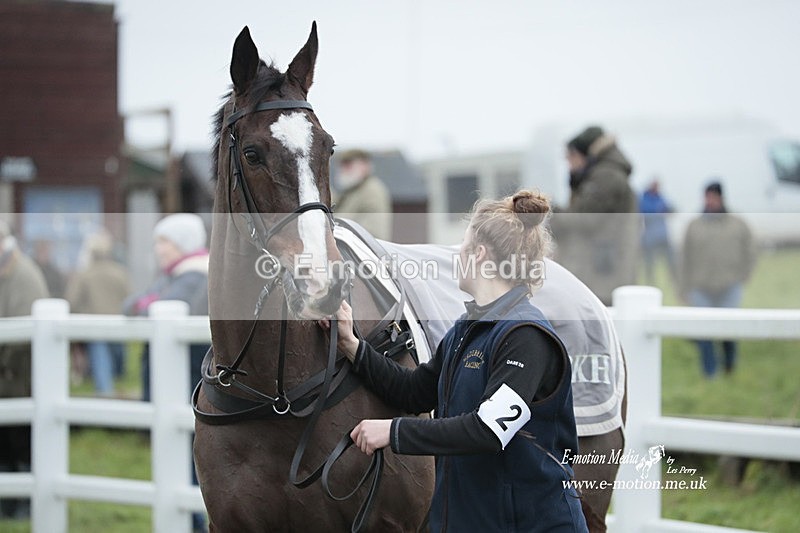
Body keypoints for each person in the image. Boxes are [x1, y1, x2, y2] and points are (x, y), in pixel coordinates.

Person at [320, 191, 588, 532]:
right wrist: (352, 345)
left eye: (462, 246)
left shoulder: (526, 337)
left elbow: (487, 430)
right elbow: (413, 391)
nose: (457, 255)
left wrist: (393, 431)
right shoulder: (467, 329)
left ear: (479, 254)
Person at [122, 213, 209, 532]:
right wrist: (144, 304)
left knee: (188, 452)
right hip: (178, 377)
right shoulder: (174, 275)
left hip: (187, 378)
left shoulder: (195, 276)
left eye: (165, 242)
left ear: (183, 245)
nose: (158, 249)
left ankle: (193, 518)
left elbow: (148, 309)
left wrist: (146, 304)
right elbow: (131, 305)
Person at [549, 125, 639, 305]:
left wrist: (551, 212)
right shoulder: (603, 174)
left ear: (585, 154)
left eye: (571, 157)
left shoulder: (606, 176)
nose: (569, 163)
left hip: (603, 271)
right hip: (603, 267)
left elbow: (585, 220)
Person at [680, 181, 756, 377]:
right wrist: (684, 288)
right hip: (701, 286)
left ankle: (729, 366)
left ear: (721, 197)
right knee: (704, 331)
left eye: (713, 196)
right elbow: (684, 258)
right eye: (707, 196)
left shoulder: (738, 224)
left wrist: (744, 275)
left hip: (729, 285)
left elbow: (750, 251)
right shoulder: (694, 226)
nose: (709, 201)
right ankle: (709, 372)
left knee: (729, 328)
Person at [0, 221, 48, 519]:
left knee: (20, 442)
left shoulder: (22, 275)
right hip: (9, 377)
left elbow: (21, 332)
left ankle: (23, 507)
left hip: (18, 377)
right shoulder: (10, 269)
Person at [65, 230, 130, 396]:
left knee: (102, 366)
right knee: (117, 367)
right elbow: (129, 297)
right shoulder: (120, 273)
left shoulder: (84, 274)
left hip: (95, 326)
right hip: (119, 324)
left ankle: (105, 395)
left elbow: (72, 301)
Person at [332, 149, 392, 240]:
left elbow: (372, 231)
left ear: (365, 166)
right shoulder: (350, 191)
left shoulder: (372, 191)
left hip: (362, 251)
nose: (343, 170)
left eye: (348, 165)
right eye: (342, 165)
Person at [639, 179, 676, 285]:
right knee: (649, 263)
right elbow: (645, 211)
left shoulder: (661, 198)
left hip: (663, 237)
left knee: (671, 262)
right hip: (650, 238)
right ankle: (649, 283)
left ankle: (674, 281)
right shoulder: (644, 198)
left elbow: (671, 208)